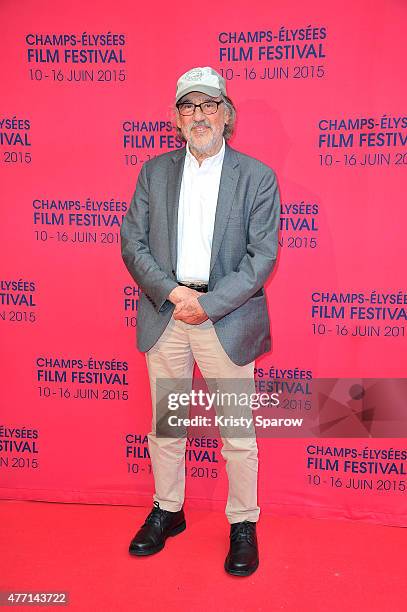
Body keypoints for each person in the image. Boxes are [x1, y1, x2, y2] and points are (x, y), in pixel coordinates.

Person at [120, 66, 281, 576]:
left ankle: (243, 523)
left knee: (237, 431)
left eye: (209, 105)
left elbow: (262, 257)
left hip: (225, 319)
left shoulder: (256, 176)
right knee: (167, 426)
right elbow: (132, 241)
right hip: (166, 314)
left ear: (226, 114)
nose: (200, 115)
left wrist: (206, 305)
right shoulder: (154, 172)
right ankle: (168, 510)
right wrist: (171, 292)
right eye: (189, 106)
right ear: (175, 118)